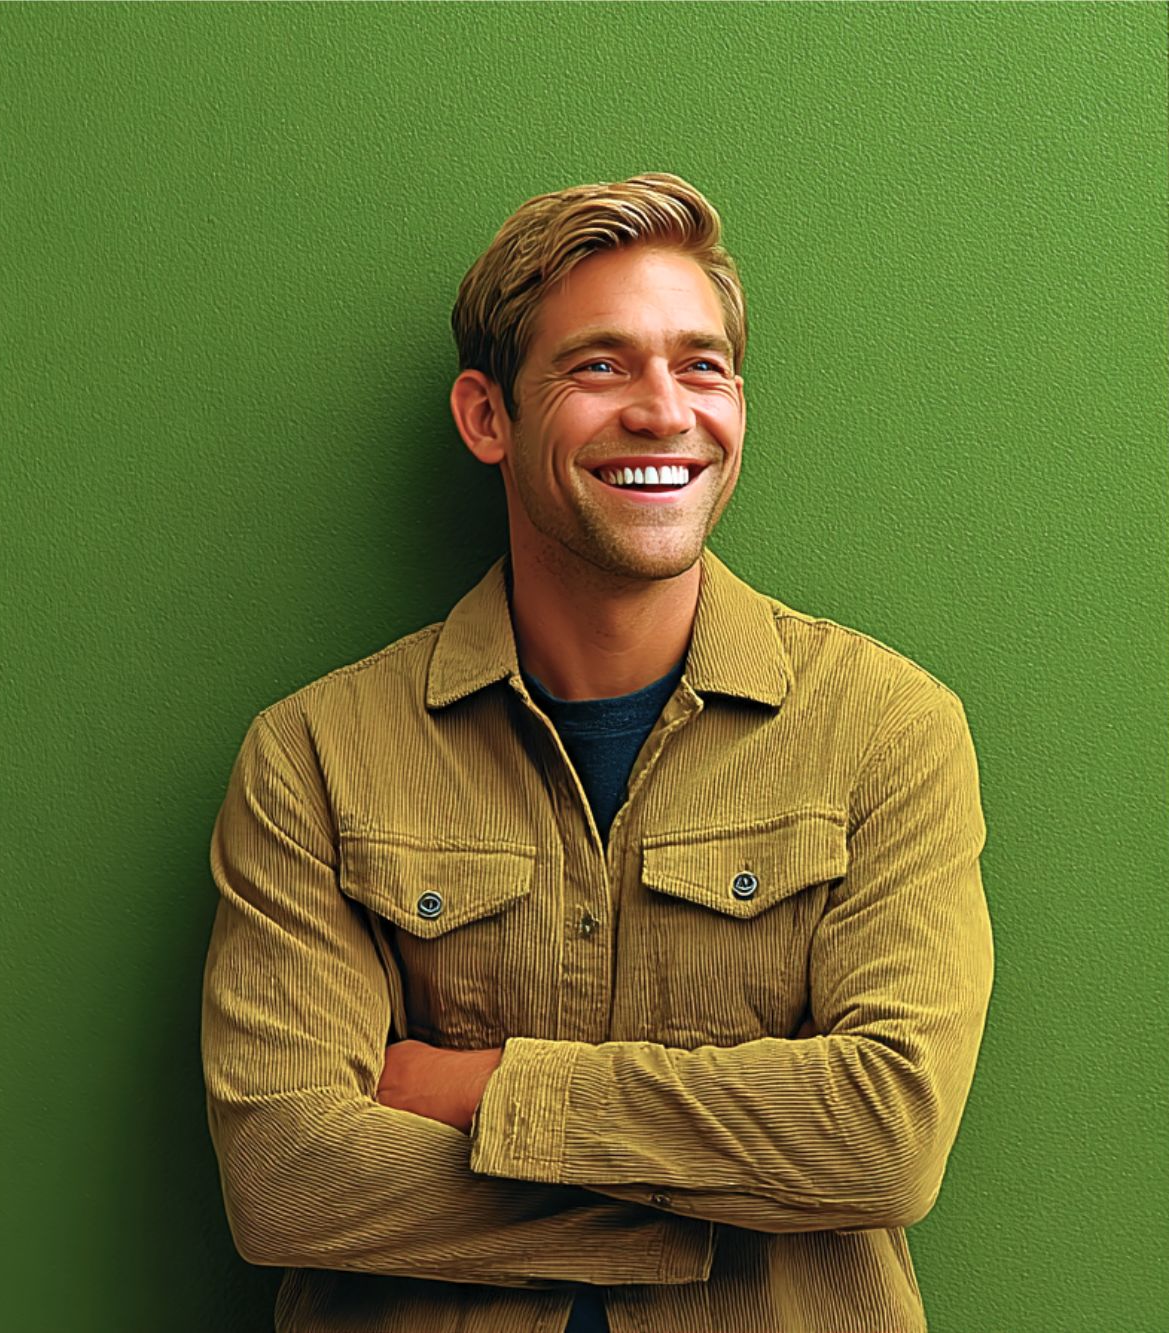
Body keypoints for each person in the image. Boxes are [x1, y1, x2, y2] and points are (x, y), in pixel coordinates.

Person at [200, 172, 995, 1333]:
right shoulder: (315, 757)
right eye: (599, 364)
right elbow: (285, 1175)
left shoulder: (887, 729)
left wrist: (486, 1090)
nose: (664, 410)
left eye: (701, 364)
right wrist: (715, 1208)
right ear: (488, 417)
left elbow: (887, 1134)